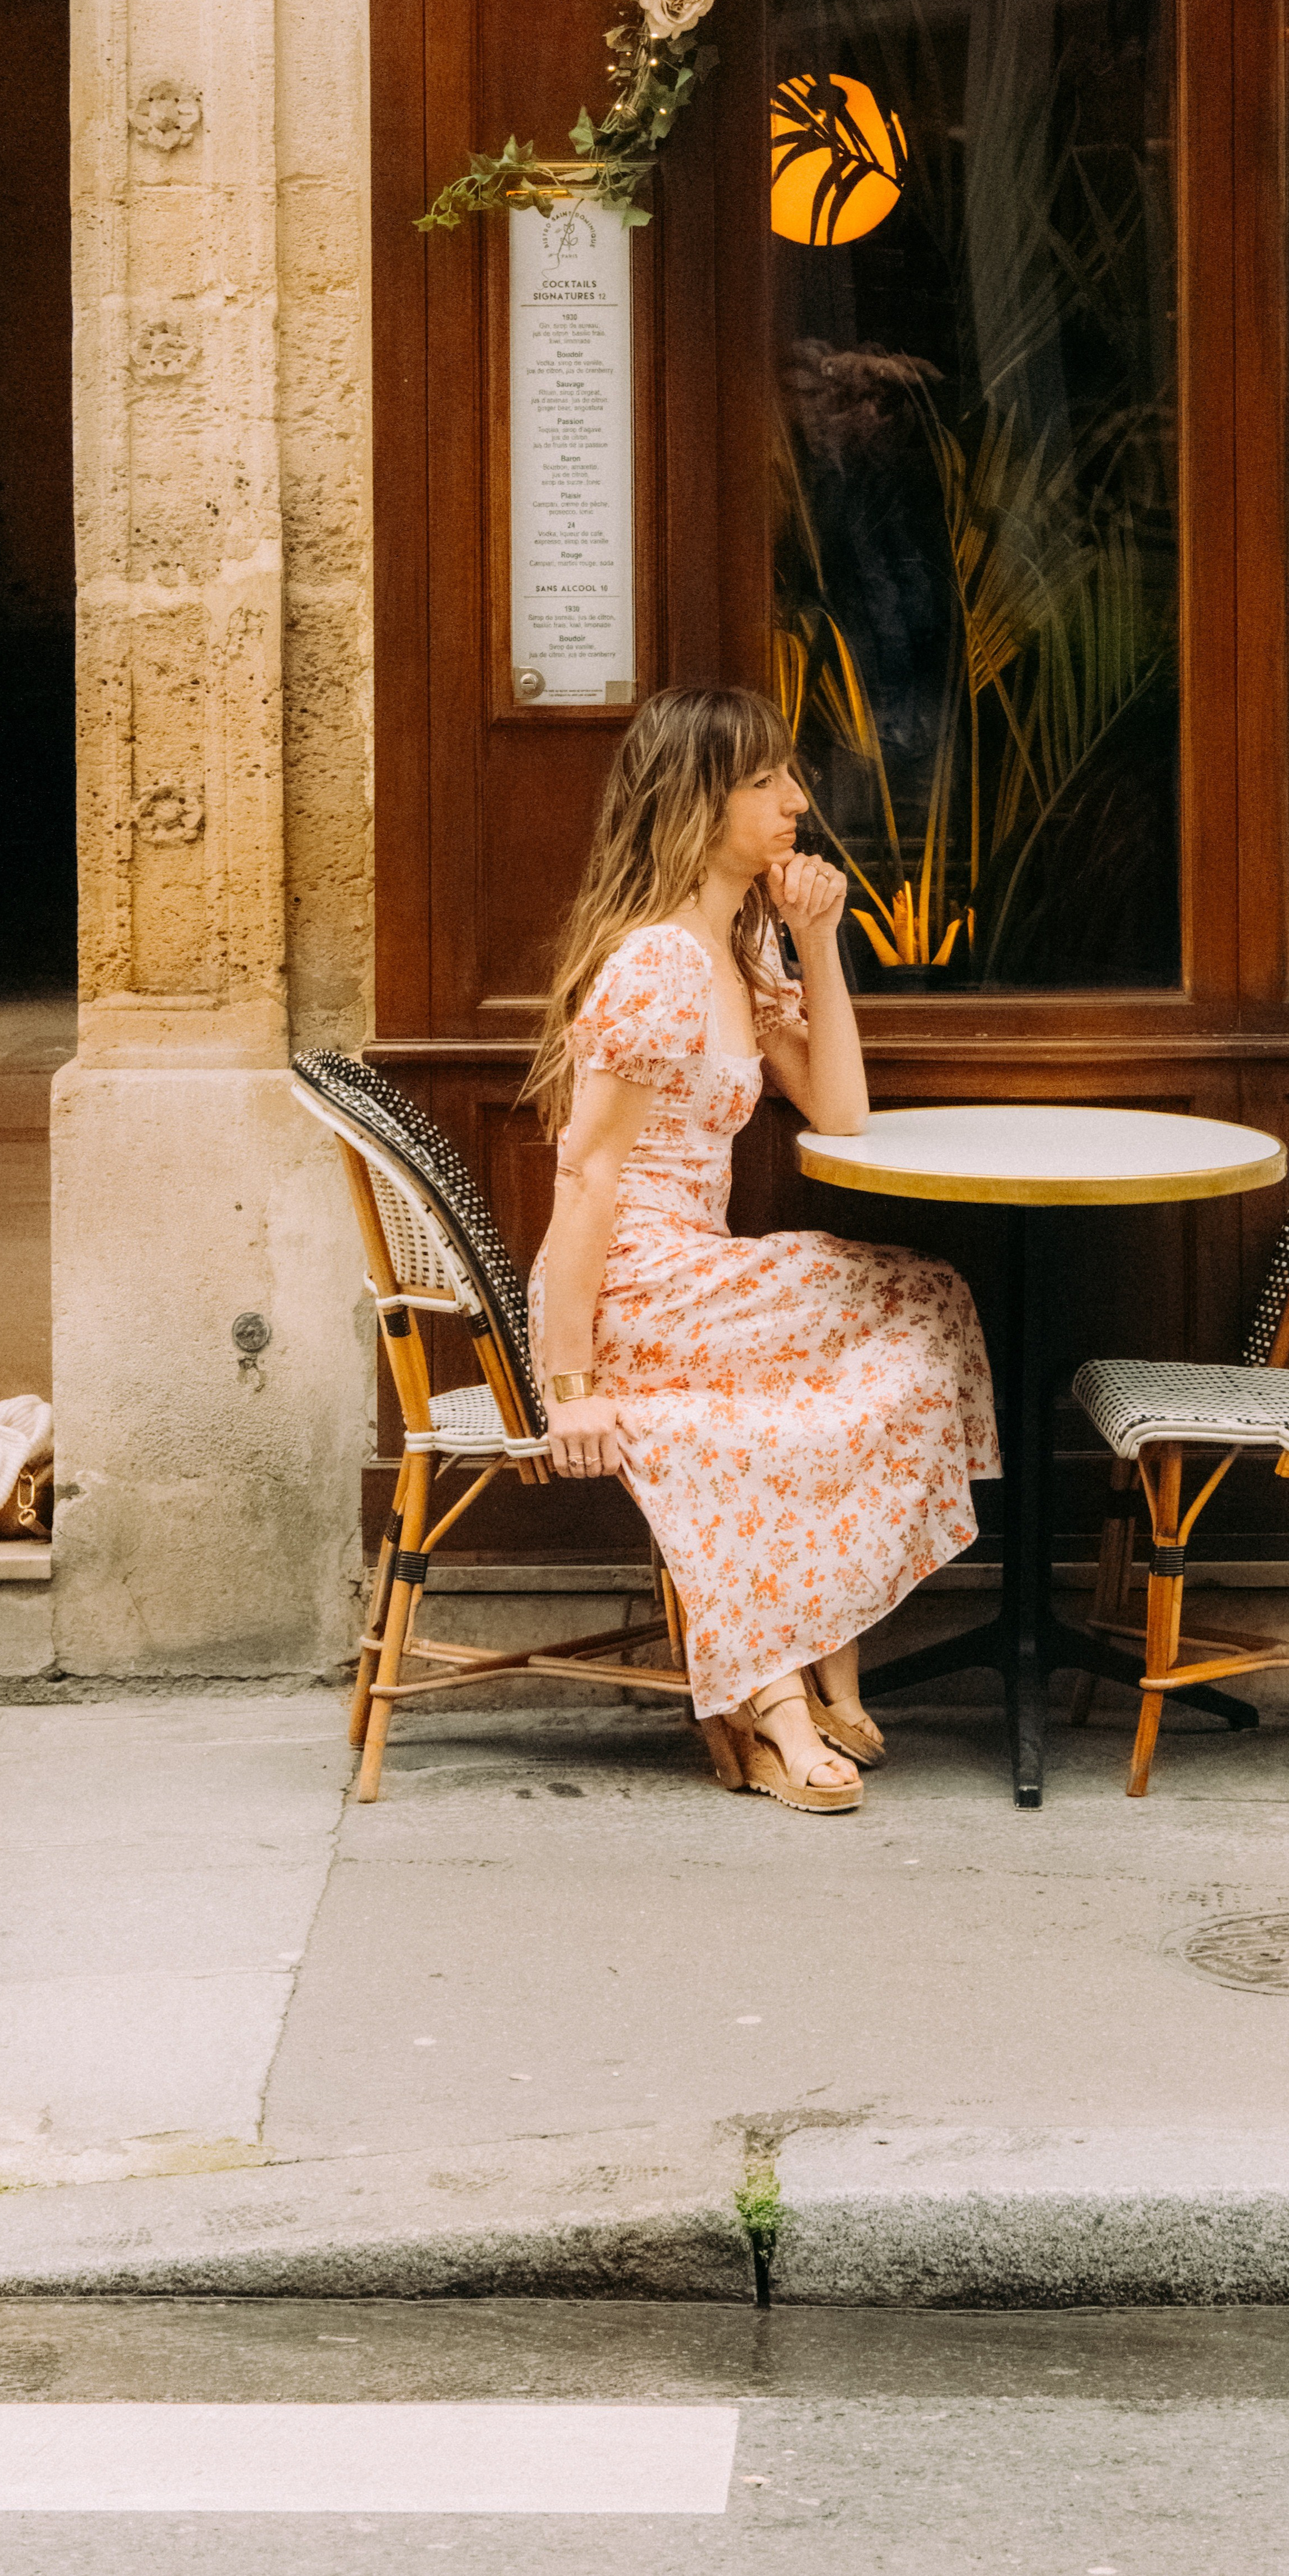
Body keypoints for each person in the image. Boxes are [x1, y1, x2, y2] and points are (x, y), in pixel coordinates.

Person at [527, 685, 999, 1813]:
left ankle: (808, 1653)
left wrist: (816, 938)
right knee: (924, 1297)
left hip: (692, 1273)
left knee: (914, 1314)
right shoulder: (657, 966)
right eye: (764, 782)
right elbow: (585, 1173)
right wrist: (569, 1383)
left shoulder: (732, 950)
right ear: (696, 802)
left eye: (790, 776)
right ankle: (792, 1682)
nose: (798, 800)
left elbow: (835, 1111)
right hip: (636, 1283)